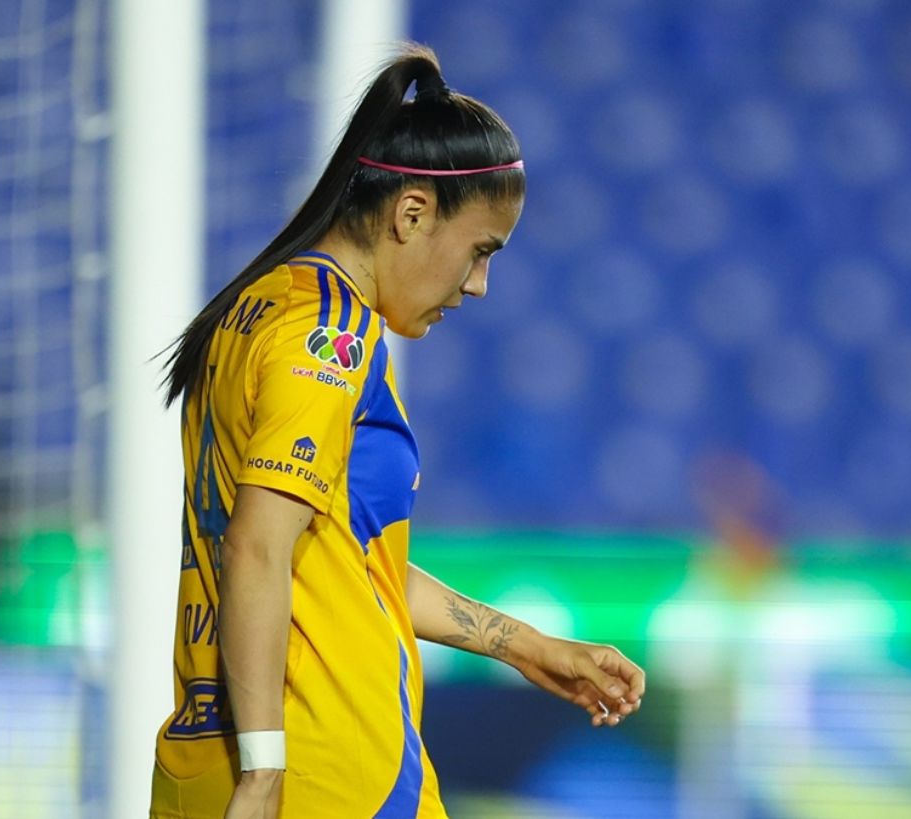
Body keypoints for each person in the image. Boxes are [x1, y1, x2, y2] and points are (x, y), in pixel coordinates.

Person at [151, 45, 645, 819]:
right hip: (325, 767)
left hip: (197, 764)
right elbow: (257, 547)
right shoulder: (332, 339)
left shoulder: (253, 310)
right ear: (411, 214)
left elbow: (342, 561)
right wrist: (266, 770)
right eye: (480, 251)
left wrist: (525, 646)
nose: (478, 285)